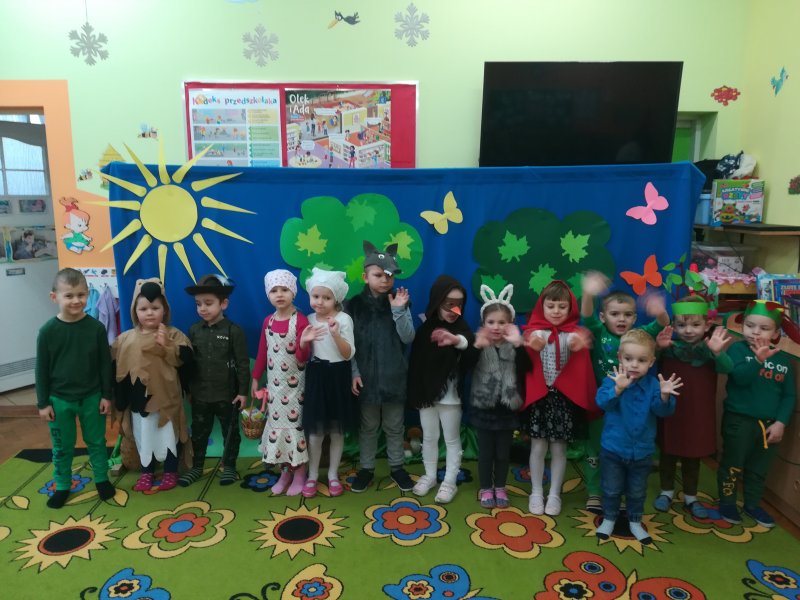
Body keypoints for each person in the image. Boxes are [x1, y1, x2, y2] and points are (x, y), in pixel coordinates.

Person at [579, 272, 669, 514]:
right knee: (595, 448)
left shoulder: (639, 336)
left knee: (619, 450)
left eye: (628, 314)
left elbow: (662, 322)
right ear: (603, 316)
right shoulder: (599, 332)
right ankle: (595, 491)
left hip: (629, 406)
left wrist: (660, 310)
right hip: (602, 400)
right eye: (615, 314)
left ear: (635, 318)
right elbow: (586, 316)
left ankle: (618, 491)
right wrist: (587, 293)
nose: (621, 319)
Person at [36, 268, 115, 508]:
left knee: (97, 441)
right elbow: (41, 369)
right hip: (59, 400)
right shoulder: (47, 331)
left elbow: (104, 364)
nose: (75, 300)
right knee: (62, 446)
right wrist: (43, 403)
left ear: (88, 295)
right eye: (69, 295)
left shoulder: (96, 328)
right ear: (55, 297)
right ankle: (62, 485)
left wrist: (106, 395)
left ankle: (101, 479)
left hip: (92, 397)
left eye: (81, 295)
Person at [717, 300, 800, 528]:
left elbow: (789, 396)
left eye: (764, 328)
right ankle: (727, 502)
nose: (755, 332)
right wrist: (757, 360)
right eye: (750, 325)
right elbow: (739, 379)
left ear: (776, 333)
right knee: (732, 464)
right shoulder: (737, 349)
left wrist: (781, 422)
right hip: (739, 421)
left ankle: (752, 504)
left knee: (758, 469)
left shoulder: (782, 359)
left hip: (769, 426)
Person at [595, 329, 682, 544]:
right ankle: (609, 518)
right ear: (619, 358)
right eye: (628, 359)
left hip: (642, 452)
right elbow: (602, 403)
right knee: (611, 489)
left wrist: (664, 396)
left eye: (641, 360)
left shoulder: (654, 386)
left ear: (651, 362)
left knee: (637, 491)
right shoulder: (613, 380)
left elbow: (663, 412)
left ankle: (635, 521)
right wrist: (617, 390)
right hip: (613, 450)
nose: (634, 365)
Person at [345, 241, 415, 493]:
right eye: (378, 275)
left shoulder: (400, 301)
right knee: (368, 427)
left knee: (395, 427)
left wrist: (398, 310)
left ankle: (397, 467)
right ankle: (366, 468)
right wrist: (354, 372)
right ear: (366, 277)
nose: (385, 280)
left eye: (389, 275)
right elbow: (348, 345)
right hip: (365, 379)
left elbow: (408, 337)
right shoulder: (353, 306)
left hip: (394, 377)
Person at [653, 296, 733, 518]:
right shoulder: (670, 348)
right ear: (674, 325)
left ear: (707, 325)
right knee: (668, 451)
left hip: (698, 412)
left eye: (695, 325)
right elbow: (650, 362)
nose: (688, 330)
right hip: (671, 409)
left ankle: (691, 496)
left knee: (693, 455)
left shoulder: (709, 348)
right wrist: (658, 348)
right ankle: (666, 492)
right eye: (681, 325)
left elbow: (728, 368)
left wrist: (718, 352)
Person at [522, 280, 597, 516]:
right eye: (551, 306)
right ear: (542, 307)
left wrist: (578, 343)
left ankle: (554, 494)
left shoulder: (572, 334)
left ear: (570, 308)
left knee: (559, 449)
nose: (556, 311)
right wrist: (533, 343)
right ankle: (536, 491)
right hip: (540, 398)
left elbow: (577, 347)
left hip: (563, 399)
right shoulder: (536, 331)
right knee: (537, 446)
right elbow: (531, 343)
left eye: (562, 307)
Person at [112, 278, 193, 492]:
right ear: (135, 311)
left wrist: (167, 345)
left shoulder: (174, 335)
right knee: (144, 437)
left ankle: (170, 471)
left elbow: (186, 360)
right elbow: (118, 372)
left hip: (167, 401)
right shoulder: (125, 340)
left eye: (155, 308)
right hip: (139, 403)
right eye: (144, 309)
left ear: (164, 310)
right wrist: (120, 401)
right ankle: (146, 472)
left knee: (169, 436)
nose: (149, 313)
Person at [178, 274, 250, 487]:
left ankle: (229, 467)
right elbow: (189, 363)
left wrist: (242, 392)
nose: (202, 308)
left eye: (208, 303)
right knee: (199, 433)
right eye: (198, 304)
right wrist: (189, 390)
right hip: (200, 394)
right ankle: (197, 467)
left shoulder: (233, 331)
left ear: (223, 304)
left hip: (227, 395)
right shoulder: (194, 330)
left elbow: (243, 364)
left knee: (230, 432)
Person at [407, 274, 473, 504]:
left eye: (459, 304)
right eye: (448, 303)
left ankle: (450, 481)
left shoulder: (461, 328)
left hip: (451, 397)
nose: (454, 309)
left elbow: (469, 345)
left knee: (452, 439)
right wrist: (417, 392)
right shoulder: (426, 329)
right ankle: (429, 475)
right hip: (427, 395)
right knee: (429, 436)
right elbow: (416, 364)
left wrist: (456, 341)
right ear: (437, 301)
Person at [464, 284, 530, 509]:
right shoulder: (478, 343)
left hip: (507, 408)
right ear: (483, 323)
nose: (496, 327)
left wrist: (518, 344)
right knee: (486, 453)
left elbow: (527, 368)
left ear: (510, 324)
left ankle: (500, 486)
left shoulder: (515, 345)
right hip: (484, 407)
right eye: (491, 322)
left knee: (503, 453)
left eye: (502, 322)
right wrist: (476, 346)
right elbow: (464, 367)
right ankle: (485, 488)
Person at [252, 269, 311, 496]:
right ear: (268, 294)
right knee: (277, 430)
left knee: (294, 430)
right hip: (275, 389)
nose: (279, 294)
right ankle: (285, 472)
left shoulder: (300, 320)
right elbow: (262, 352)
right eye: (274, 290)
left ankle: (300, 473)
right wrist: (255, 378)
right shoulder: (268, 321)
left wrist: (303, 343)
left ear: (293, 293)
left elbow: (303, 357)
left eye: (284, 289)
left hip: (296, 389)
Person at [298, 268, 356, 498]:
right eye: (315, 296)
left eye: (326, 297)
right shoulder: (308, 320)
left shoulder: (344, 319)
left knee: (336, 431)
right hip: (316, 376)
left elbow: (348, 354)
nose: (320, 302)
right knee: (315, 432)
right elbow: (302, 355)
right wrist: (304, 341)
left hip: (338, 376)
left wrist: (335, 334)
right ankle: (312, 475)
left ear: (336, 299)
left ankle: (332, 474)